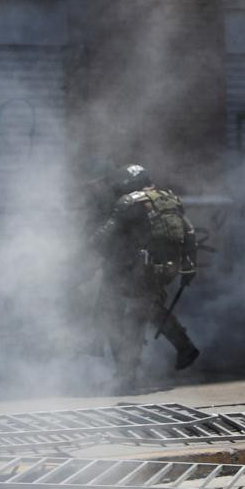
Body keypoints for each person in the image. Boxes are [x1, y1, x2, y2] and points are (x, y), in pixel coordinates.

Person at [90, 164, 200, 389]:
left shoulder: (129, 202)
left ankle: (126, 377)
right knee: (151, 308)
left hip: (138, 270)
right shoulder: (170, 199)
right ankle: (185, 347)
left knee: (130, 320)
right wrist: (189, 268)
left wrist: (87, 246)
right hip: (164, 270)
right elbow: (189, 234)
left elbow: (106, 234)